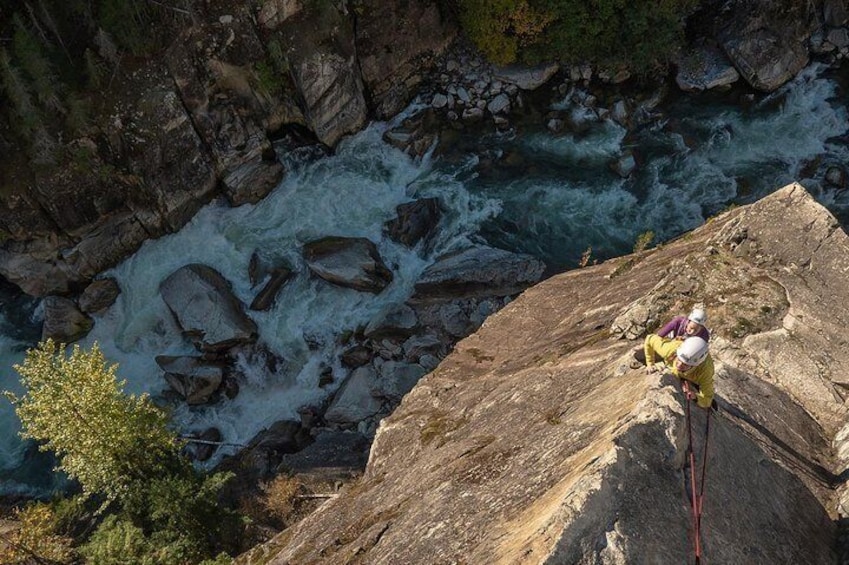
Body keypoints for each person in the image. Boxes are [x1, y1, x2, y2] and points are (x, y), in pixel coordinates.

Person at [644, 335, 715, 409]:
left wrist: (696, 397)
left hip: (694, 375)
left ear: (694, 365)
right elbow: (650, 338)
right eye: (679, 360)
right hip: (673, 352)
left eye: (685, 364)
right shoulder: (670, 349)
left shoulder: (705, 372)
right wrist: (650, 364)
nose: (679, 365)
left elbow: (708, 399)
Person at [632, 307, 710, 366]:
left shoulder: (704, 336)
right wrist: (645, 346)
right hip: (670, 346)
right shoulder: (678, 322)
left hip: (686, 356)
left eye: (696, 330)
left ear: (702, 328)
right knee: (640, 355)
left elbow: (699, 352)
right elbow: (660, 335)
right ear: (688, 321)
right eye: (691, 328)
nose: (692, 331)